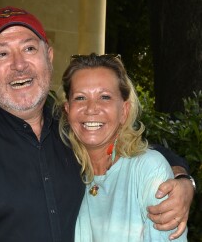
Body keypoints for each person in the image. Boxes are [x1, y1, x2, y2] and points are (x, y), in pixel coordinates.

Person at [0, 7, 194, 242]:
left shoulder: (72, 127)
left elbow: (133, 150)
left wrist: (181, 180)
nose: (19, 64)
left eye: (29, 48)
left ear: (48, 56)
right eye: (2, 54)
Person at [57, 53, 188, 241]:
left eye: (104, 97)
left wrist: (185, 180)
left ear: (124, 111)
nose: (91, 108)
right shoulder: (66, 170)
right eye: (80, 98)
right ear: (67, 109)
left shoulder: (148, 169)